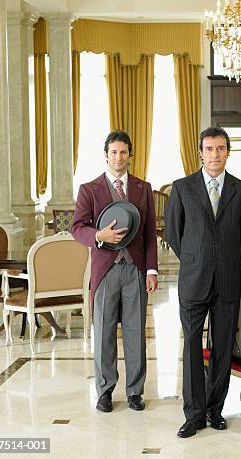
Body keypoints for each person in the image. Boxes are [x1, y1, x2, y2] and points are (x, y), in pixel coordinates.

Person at [166, 126, 241, 438]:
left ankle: (214, 409)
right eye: (209, 149)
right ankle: (193, 415)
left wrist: (221, 259)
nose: (215, 154)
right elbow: (174, 234)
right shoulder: (182, 188)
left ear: (227, 152)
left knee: (222, 348)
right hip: (193, 279)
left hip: (228, 280)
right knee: (191, 346)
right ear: (200, 152)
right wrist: (196, 258)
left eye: (220, 149)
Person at [72, 130, 158, 413]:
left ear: (130, 155)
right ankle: (105, 391)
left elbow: (147, 233)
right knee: (104, 332)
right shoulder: (89, 189)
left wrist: (151, 270)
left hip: (134, 269)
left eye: (123, 152)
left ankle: (135, 391)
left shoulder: (143, 188)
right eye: (113, 152)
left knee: (135, 333)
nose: (118, 157)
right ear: (105, 155)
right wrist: (99, 235)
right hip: (105, 270)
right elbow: (77, 227)